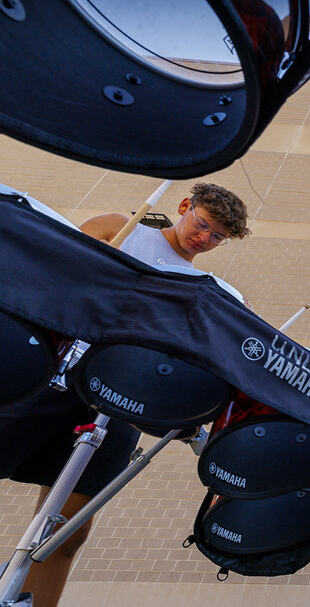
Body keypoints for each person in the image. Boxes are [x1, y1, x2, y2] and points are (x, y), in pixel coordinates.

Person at [0, 182, 249, 607]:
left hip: (117, 407)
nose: (204, 238)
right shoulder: (123, 229)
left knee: (65, 532)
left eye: (217, 236)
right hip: (53, 377)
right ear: (184, 206)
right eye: (203, 224)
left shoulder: (206, 291)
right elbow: (47, 279)